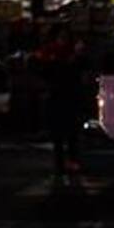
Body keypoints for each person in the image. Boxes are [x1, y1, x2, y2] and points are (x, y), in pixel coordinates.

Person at [33, 24, 86, 178]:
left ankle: (70, 161)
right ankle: (62, 163)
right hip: (58, 94)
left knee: (70, 131)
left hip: (68, 95)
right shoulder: (51, 53)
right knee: (59, 133)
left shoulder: (71, 53)